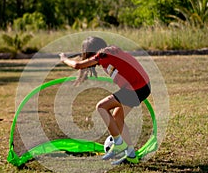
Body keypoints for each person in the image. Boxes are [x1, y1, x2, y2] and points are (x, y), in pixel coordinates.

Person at [59, 36, 151, 165]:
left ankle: (118, 143)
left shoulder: (103, 55)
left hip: (135, 89)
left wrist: (64, 59)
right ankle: (131, 155)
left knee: (101, 107)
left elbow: (77, 65)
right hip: (143, 87)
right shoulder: (109, 53)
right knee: (117, 117)